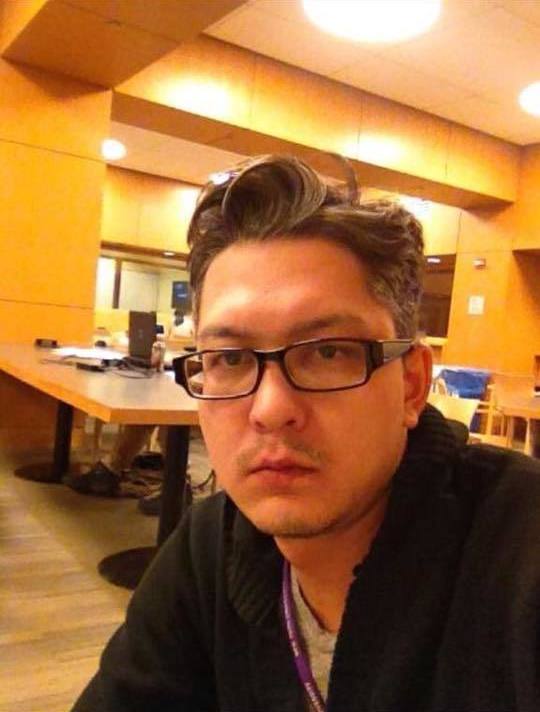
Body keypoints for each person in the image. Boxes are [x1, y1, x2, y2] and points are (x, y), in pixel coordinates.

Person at [72, 155, 540, 711]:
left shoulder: (519, 558)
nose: (271, 409)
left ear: (412, 386)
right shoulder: (212, 544)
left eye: (328, 352)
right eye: (230, 358)